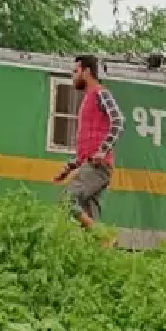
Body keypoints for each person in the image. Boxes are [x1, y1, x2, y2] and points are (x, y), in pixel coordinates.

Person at [53, 53, 124, 230]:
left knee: (67, 200)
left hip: (98, 167)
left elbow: (118, 121)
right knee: (87, 223)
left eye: (75, 71)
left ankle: (105, 239)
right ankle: (103, 245)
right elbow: (86, 150)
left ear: (86, 72)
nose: (72, 76)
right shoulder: (87, 99)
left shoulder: (101, 94)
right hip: (91, 164)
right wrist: (69, 167)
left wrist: (103, 150)